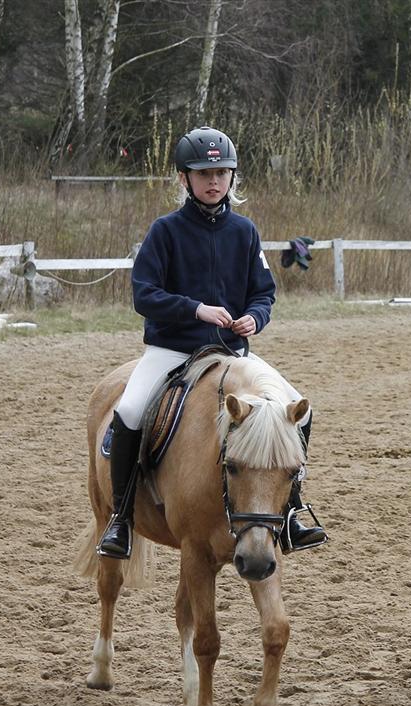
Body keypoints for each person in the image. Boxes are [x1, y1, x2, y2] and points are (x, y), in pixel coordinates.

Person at [97, 126, 325, 559]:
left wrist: (254, 319)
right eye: (204, 173)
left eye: (222, 172)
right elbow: (143, 294)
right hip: (172, 351)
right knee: (128, 410)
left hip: (232, 355)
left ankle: (292, 510)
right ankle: (121, 519)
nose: (214, 180)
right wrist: (196, 310)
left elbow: (263, 292)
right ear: (184, 178)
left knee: (299, 407)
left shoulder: (245, 231)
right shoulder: (165, 232)